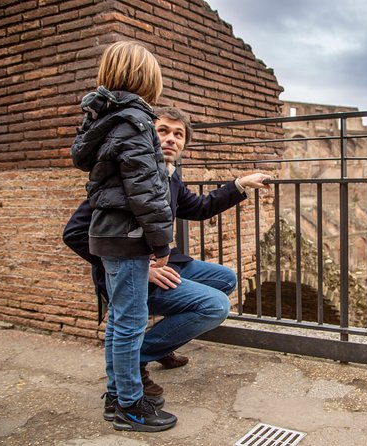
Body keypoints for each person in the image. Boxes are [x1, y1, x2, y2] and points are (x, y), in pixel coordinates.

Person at [64, 106, 271, 425]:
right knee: (215, 306)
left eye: (179, 134)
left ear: (185, 143)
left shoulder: (170, 176)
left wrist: (240, 183)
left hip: (165, 263)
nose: (171, 139)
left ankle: (160, 343)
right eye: (163, 131)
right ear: (149, 133)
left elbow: (200, 207)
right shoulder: (128, 174)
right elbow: (75, 232)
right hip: (130, 272)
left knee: (225, 279)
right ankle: (138, 358)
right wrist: (143, 268)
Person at [69, 41, 177, 432]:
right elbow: (146, 190)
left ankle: (117, 396)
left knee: (119, 321)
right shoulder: (136, 121)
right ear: (147, 77)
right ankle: (131, 407)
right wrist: (161, 243)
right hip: (128, 235)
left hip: (106, 232)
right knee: (130, 324)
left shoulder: (106, 119)